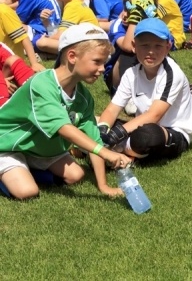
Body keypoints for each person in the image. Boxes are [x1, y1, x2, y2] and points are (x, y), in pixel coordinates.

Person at [0, 24, 130, 200]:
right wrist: (106, 153)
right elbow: (63, 128)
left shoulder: (84, 97)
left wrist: (104, 186)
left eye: (104, 62)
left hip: (35, 146)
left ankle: (27, 169)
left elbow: (94, 139)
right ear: (72, 56)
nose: (102, 69)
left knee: (76, 175)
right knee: (27, 191)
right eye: (97, 61)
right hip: (5, 145)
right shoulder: (41, 85)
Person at [96, 18, 192, 162]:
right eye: (144, 45)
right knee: (94, 121)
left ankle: (112, 149)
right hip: (140, 126)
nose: (151, 52)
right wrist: (102, 130)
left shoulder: (172, 73)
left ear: (168, 47)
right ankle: (118, 149)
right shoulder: (131, 73)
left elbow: (154, 115)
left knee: (147, 136)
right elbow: (112, 110)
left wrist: (116, 134)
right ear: (134, 46)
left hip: (170, 131)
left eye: (158, 46)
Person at [34, 0, 99, 56]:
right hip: (90, 43)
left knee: (41, 42)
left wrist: (46, 39)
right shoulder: (75, 3)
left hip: (89, 47)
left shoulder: (72, 6)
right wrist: (45, 20)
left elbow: (60, 36)